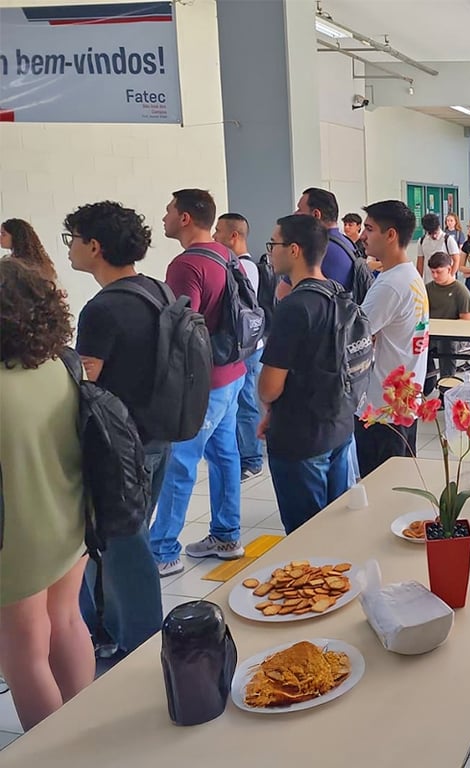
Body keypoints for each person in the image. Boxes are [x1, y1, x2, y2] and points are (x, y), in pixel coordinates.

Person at [66, 201, 168, 656]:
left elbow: (86, 382)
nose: (70, 249)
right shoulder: (158, 291)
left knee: (127, 550)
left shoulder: (102, 310)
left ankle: (143, 649)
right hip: (161, 434)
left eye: (73, 239)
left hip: (121, 447)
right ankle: (109, 628)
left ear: (95, 246)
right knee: (128, 539)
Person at [0, 260, 93, 731]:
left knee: (24, 654)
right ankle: (88, 734)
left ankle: (53, 754)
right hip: (72, 520)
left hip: (15, 541)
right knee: (68, 621)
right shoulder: (62, 364)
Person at [152, 189, 246, 575]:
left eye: (169, 209)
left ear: (186, 218)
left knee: (181, 462)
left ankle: (162, 550)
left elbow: (182, 328)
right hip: (233, 371)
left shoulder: (185, 265)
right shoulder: (228, 255)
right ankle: (226, 535)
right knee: (225, 455)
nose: (164, 216)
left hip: (204, 382)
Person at [259, 214, 358, 534]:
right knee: (335, 531)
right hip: (338, 424)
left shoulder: (295, 307)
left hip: (302, 439)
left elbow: (269, 388)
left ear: (294, 250)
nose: (270, 251)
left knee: (307, 537)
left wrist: (270, 404)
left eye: (274, 244)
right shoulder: (338, 293)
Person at [357, 200, 429, 477]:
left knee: (382, 492)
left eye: (369, 228)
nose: (364, 235)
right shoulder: (408, 276)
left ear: (391, 235)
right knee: (397, 488)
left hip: (382, 412)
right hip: (402, 403)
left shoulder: (390, 284)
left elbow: (354, 339)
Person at [213, 213, 265, 482]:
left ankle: (252, 459)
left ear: (234, 236)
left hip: (246, 348)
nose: (214, 236)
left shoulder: (241, 268)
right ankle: (246, 454)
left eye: (218, 231)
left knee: (245, 403)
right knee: (242, 401)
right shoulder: (246, 266)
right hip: (250, 345)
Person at [276, 188, 357, 299]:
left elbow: (283, 293)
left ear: (315, 215)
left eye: (299, 210)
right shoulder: (348, 245)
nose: (295, 214)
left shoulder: (316, 247)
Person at [426, 251, 470, 380]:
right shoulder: (428, 289)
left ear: (449, 269)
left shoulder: (460, 291)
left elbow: (468, 320)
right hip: (432, 334)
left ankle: (446, 385)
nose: (435, 276)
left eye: (439, 272)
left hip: (453, 337)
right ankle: (427, 381)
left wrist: (447, 327)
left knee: (446, 344)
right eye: (432, 272)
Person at [415, 212, 462, 282]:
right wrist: (419, 282)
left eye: (435, 232)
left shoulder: (448, 240)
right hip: (429, 282)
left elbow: (456, 260)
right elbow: (420, 264)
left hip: (446, 283)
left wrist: (449, 277)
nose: (434, 236)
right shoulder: (422, 241)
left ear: (439, 226)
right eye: (430, 233)